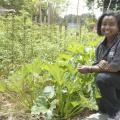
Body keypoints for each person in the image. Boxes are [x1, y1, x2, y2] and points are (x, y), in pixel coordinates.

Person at [78, 11, 120, 120]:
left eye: (111, 24)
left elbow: (115, 67)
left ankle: (116, 113)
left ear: (118, 27)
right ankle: (105, 112)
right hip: (116, 81)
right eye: (104, 24)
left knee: (102, 78)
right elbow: (98, 64)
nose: (107, 27)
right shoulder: (100, 46)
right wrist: (99, 65)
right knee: (100, 82)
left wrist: (90, 68)